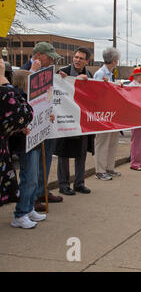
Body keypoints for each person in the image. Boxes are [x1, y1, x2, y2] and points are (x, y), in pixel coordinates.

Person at [20, 42, 63, 210]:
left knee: (45, 160)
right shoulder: (24, 71)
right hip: (31, 128)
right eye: (49, 57)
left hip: (45, 123)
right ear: (38, 55)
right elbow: (21, 94)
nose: (52, 61)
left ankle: (41, 191)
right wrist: (32, 73)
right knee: (32, 166)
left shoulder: (48, 72)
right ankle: (31, 199)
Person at [55, 47, 95, 195]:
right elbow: (57, 91)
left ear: (87, 61)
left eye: (81, 58)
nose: (77, 60)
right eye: (76, 57)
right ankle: (64, 185)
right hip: (65, 119)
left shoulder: (89, 74)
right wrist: (72, 81)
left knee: (81, 153)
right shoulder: (63, 72)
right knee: (63, 154)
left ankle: (79, 183)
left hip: (81, 120)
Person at [1, 60, 34, 213]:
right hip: (19, 144)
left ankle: (28, 207)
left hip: (17, 143)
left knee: (31, 177)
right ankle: (22, 212)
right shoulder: (10, 94)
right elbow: (24, 115)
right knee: (28, 177)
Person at [93, 47, 122, 180]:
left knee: (112, 141)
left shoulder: (111, 74)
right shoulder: (101, 74)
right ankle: (100, 170)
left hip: (112, 112)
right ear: (114, 60)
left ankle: (110, 167)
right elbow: (98, 94)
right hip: (103, 113)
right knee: (102, 142)